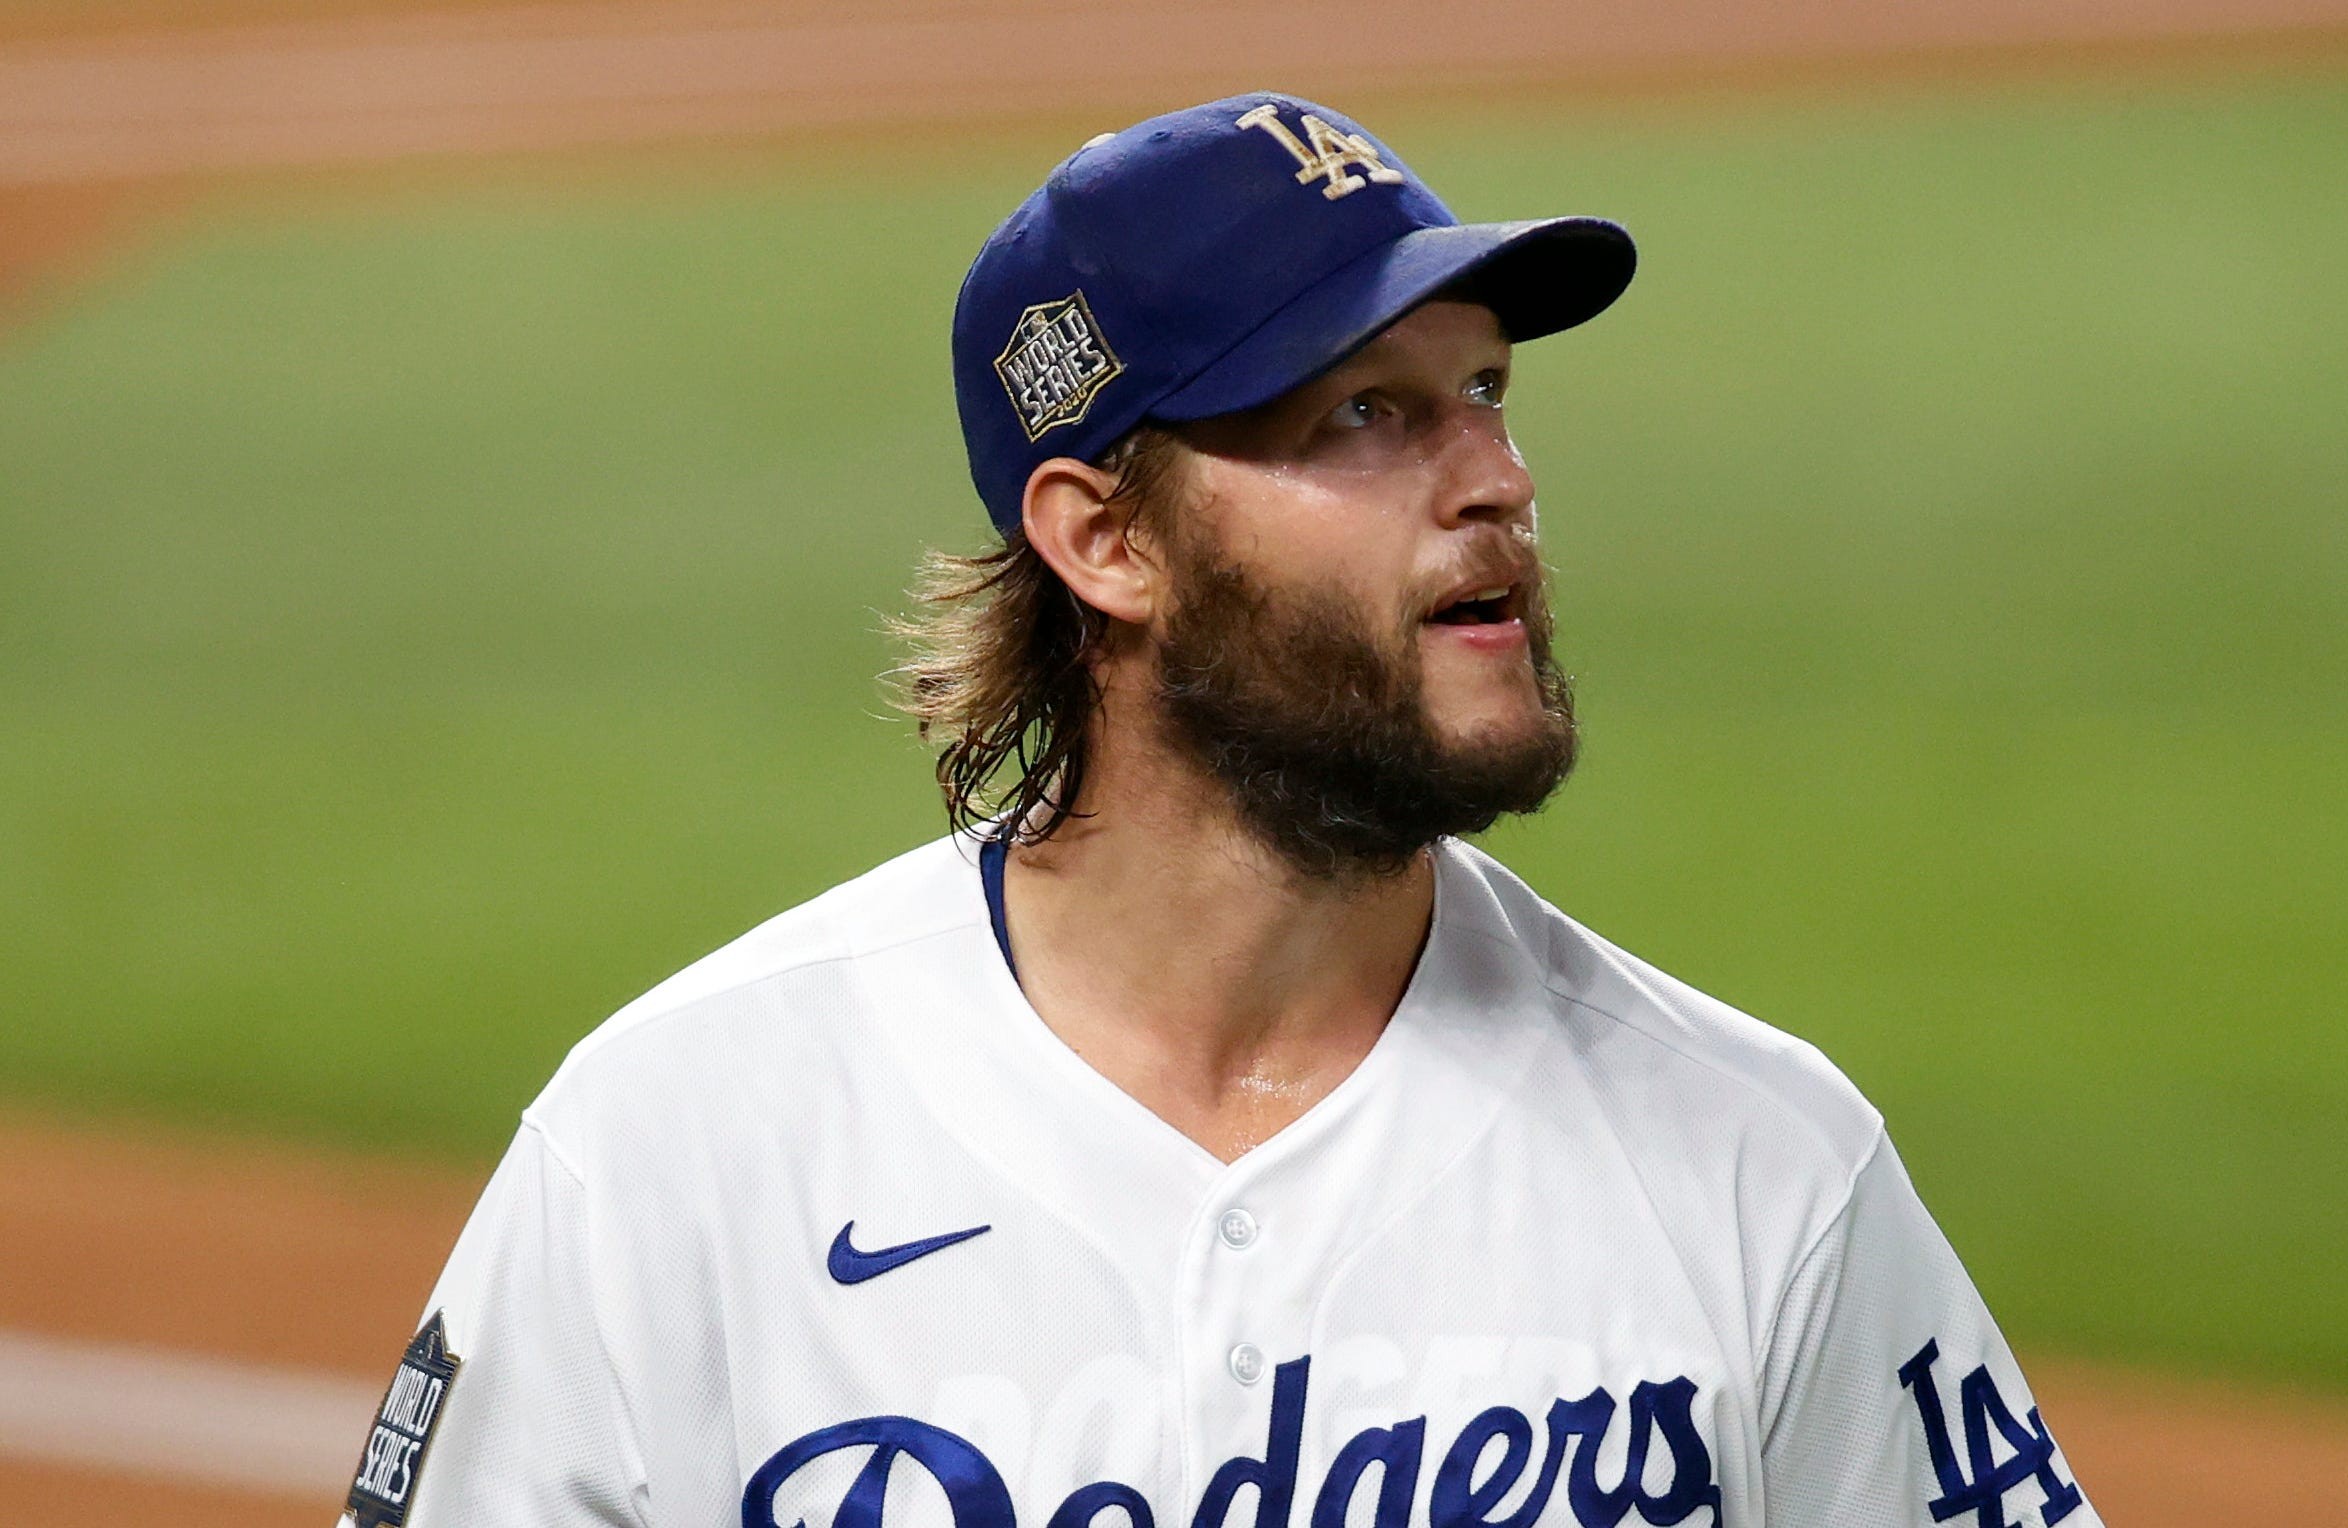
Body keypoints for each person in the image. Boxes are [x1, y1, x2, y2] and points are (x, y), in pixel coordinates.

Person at [341, 92, 2101, 1528]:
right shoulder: (680, 1144)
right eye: (1366, 415)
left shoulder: (1759, 1165)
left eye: (1484, 391)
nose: (1497, 478)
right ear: (1106, 540)